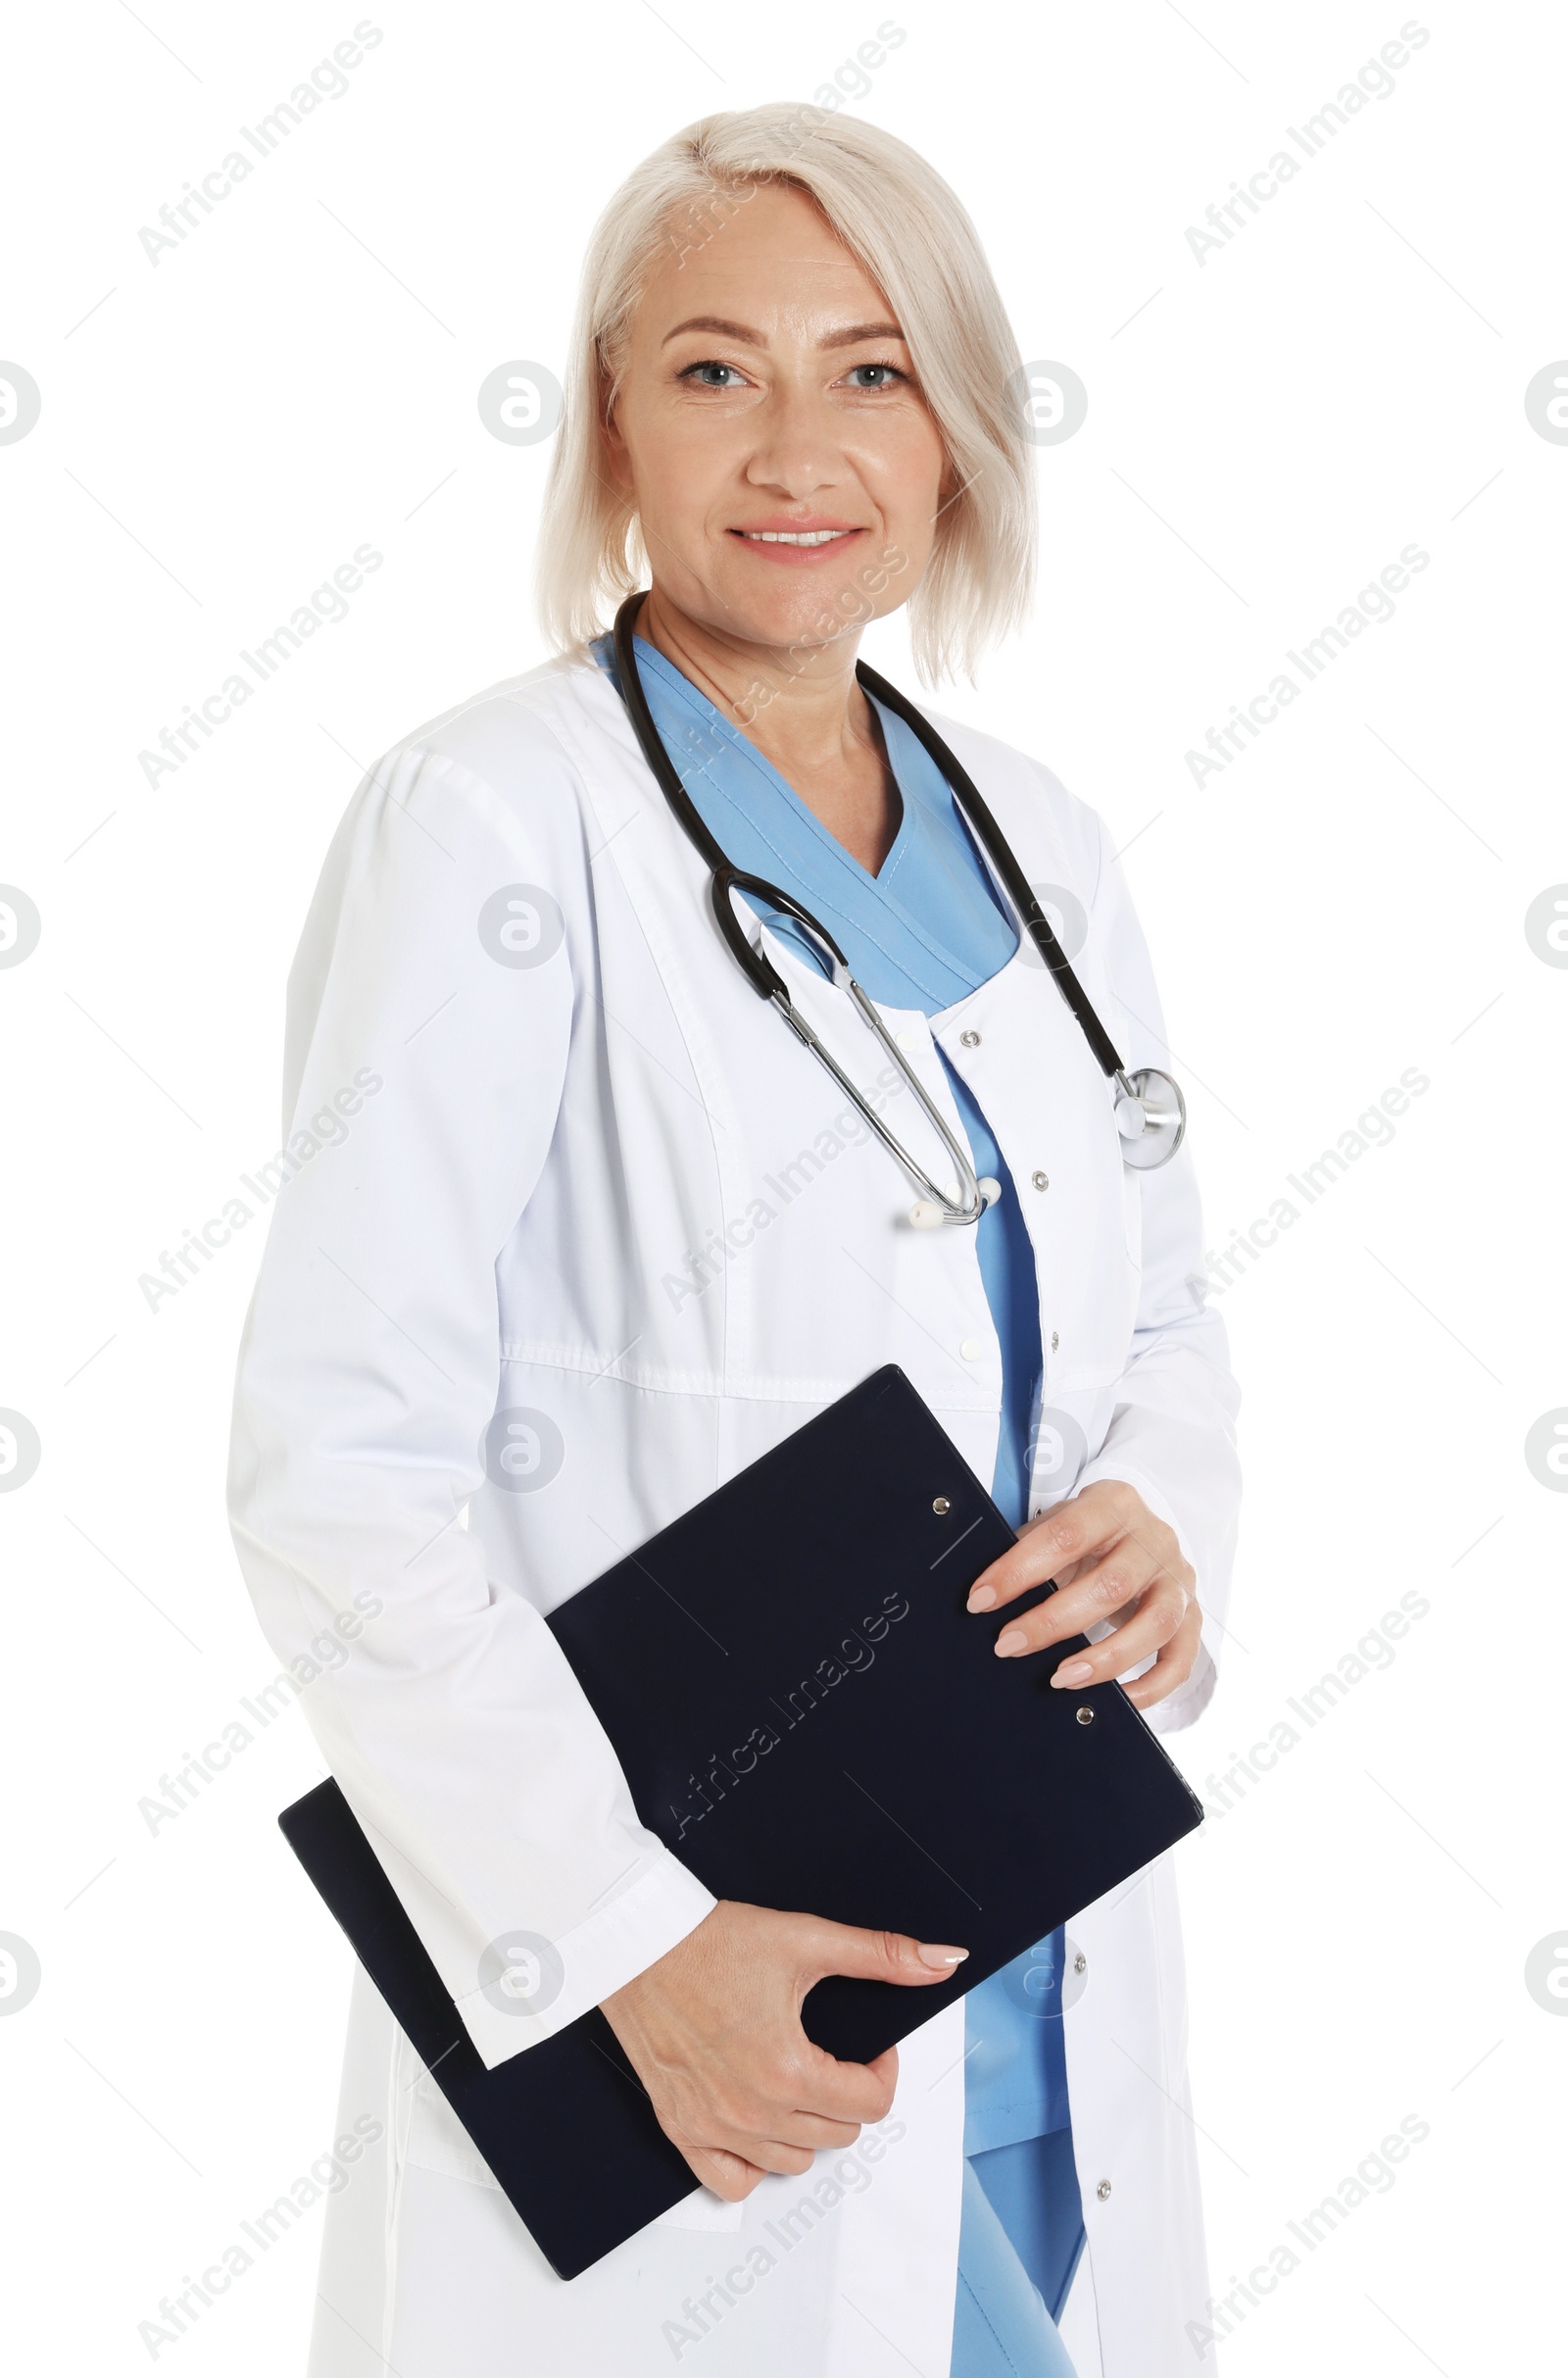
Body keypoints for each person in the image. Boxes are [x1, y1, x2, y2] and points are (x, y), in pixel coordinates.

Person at [227, 101, 1241, 2378]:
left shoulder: (1045, 847)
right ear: (608, 424)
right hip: (684, 2014)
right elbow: (338, 1467)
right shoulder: (487, 822)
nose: (797, 444)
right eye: (712, 369)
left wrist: (1164, 1516)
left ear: (960, 429)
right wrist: (615, 1943)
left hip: (1025, 2011)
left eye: (871, 369)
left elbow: (1159, 1314)